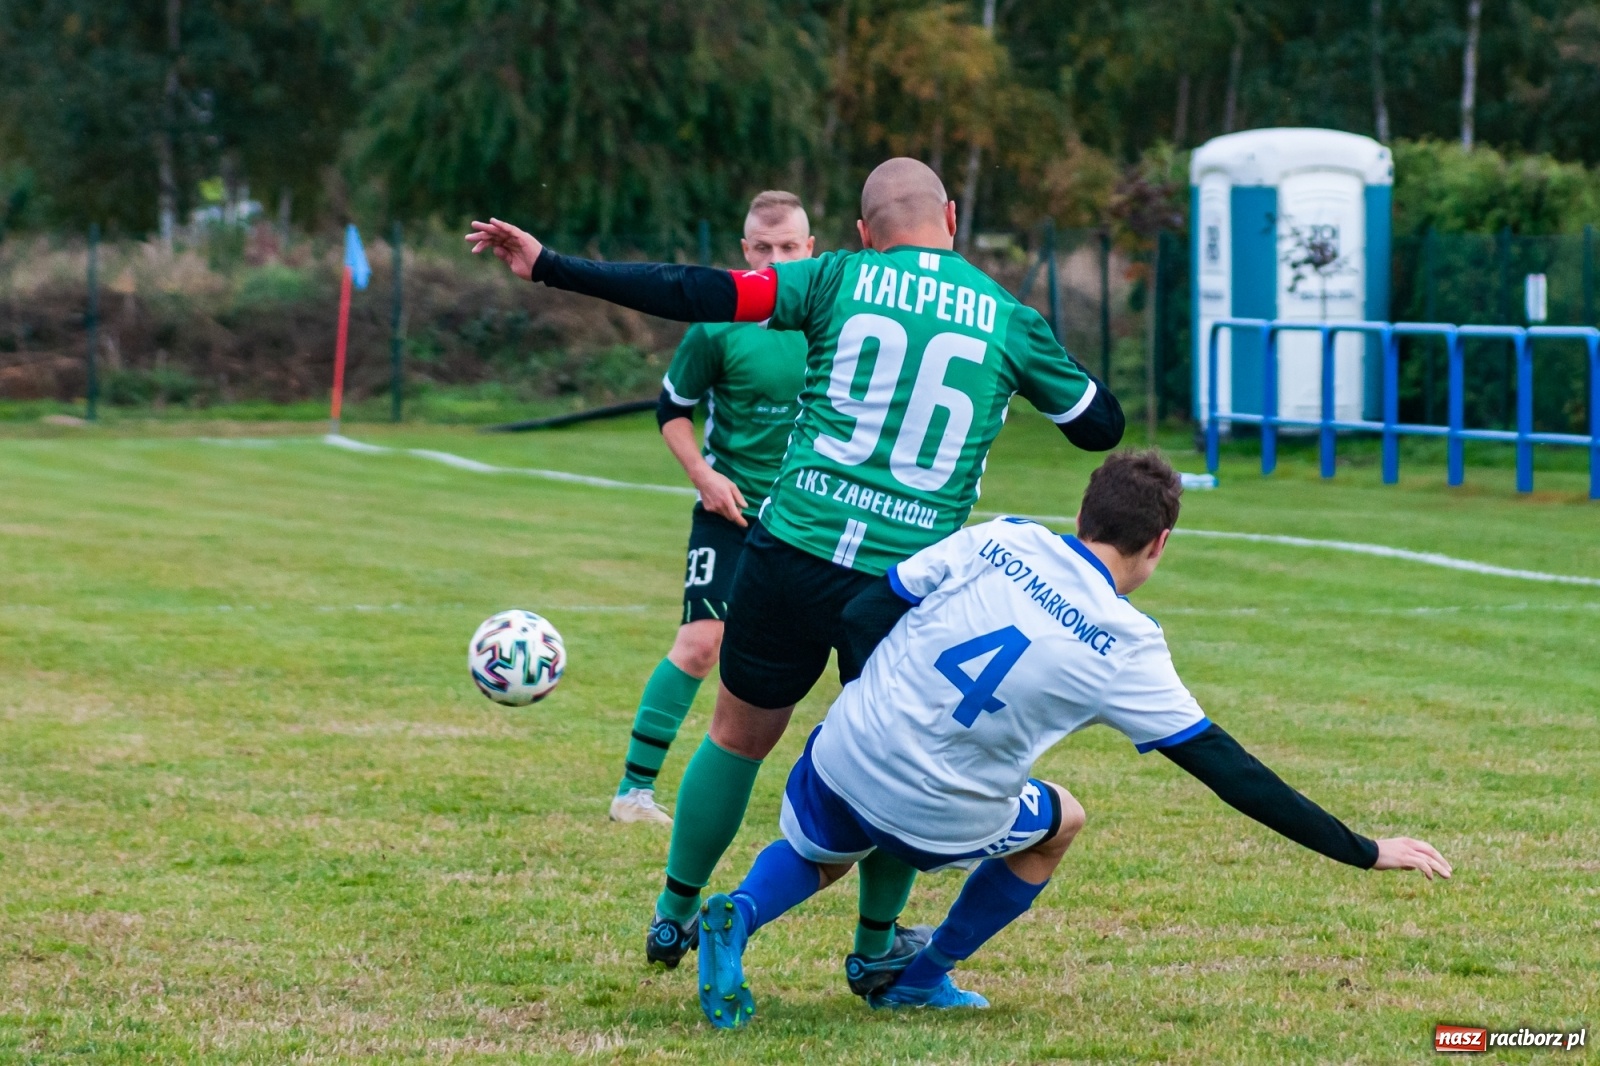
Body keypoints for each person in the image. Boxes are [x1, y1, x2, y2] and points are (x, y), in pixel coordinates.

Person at [466, 157, 1125, 992]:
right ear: (951, 218)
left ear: (858, 234)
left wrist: (552, 264)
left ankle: (673, 911)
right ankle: (879, 944)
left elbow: (696, 291)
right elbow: (1098, 427)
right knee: (899, 759)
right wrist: (1042, 364)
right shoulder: (1007, 317)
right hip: (902, 583)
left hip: (788, 552)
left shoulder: (831, 280)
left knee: (736, 736)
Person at [692, 450, 1452, 1027]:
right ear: (1158, 544)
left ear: (1085, 513)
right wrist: (1362, 847)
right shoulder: (1126, 641)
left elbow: (863, 612)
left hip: (848, 749)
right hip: (940, 810)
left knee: (827, 841)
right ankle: (923, 977)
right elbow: (1230, 772)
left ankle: (745, 912)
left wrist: (879, 709)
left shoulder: (999, 539)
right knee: (1062, 821)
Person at [609, 191, 813, 826]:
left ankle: (875, 813)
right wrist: (704, 475)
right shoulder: (717, 325)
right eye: (764, 248)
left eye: (789, 248)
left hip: (811, 518)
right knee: (702, 644)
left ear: (812, 251)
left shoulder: (836, 319)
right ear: (745, 252)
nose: (776, 259)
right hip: (730, 511)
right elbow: (672, 410)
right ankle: (633, 792)